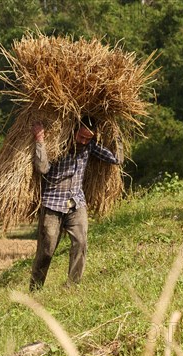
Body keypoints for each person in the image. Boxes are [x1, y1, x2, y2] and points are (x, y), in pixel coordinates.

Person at [29, 116, 120, 290]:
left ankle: (72, 286)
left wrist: (116, 136)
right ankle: (35, 288)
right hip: (52, 205)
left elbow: (115, 159)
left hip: (76, 203)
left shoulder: (89, 147)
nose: (84, 141)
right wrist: (39, 140)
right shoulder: (59, 145)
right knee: (47, 250)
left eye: (88, 138)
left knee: (81, 242)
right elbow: (42, 168)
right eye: (82, 137)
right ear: (74, 131)